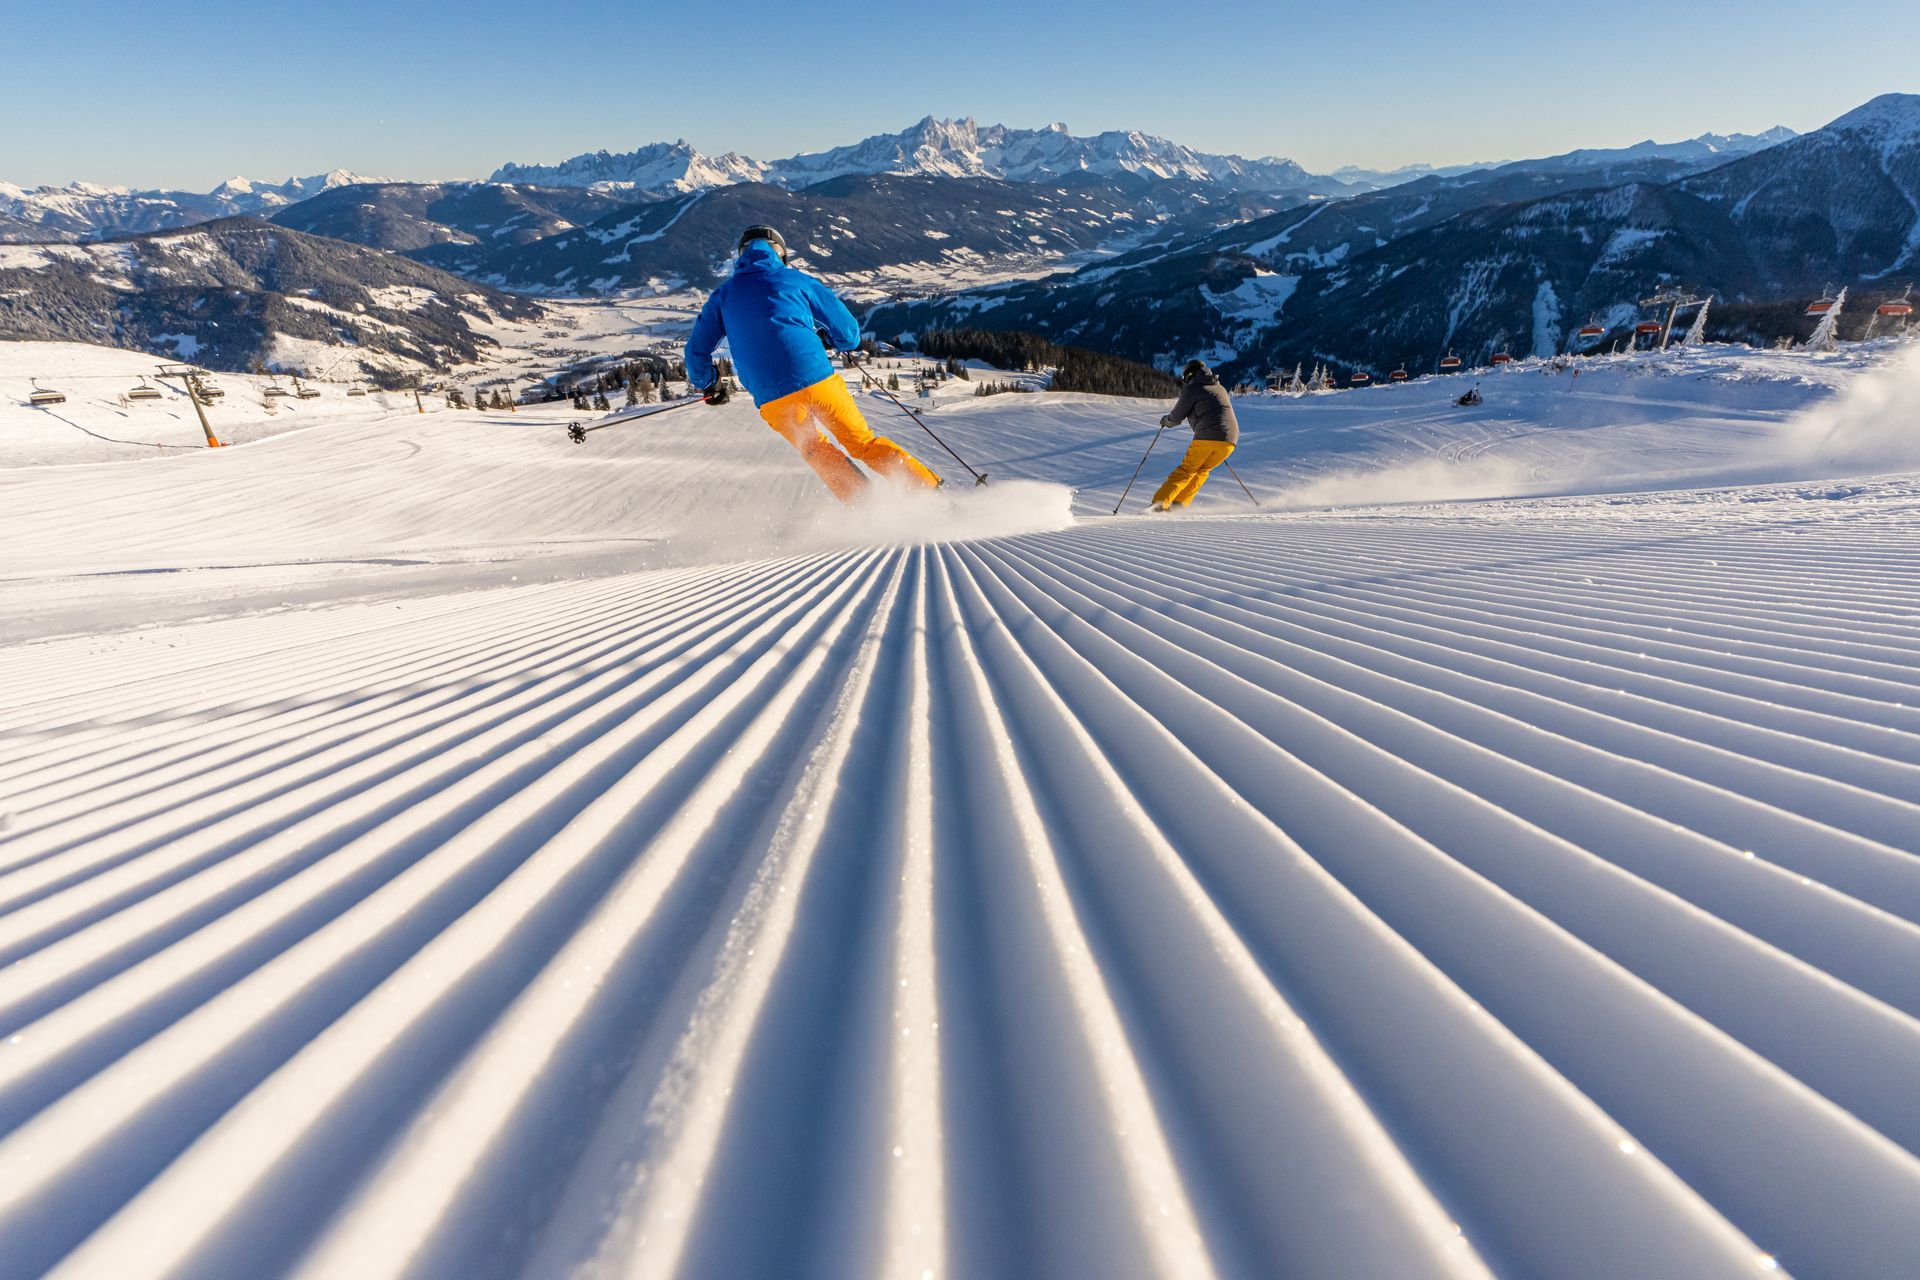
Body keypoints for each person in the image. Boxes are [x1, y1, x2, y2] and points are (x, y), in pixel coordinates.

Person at [684, 225, 942, 503]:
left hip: (772, 398)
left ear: (741, 255)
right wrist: (832, 340)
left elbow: (696, 351)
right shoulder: (797, 281)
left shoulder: (722, 296)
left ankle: (867, 509)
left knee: (814, 449)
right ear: (781, 255)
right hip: (817, 380)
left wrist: (709, 383)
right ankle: (928, 493)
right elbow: (849, 333)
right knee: (862, 443)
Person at [1149, 358, 1239, 512]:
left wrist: (1166, 421)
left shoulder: (1193, 389)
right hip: (1230, 440)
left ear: (1189, 375)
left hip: (1207, 438)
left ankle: (1159, 505)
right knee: (1202, 471)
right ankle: (1178, 504)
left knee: (1186, 471)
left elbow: (1176, 417)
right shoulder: (1220, 388)